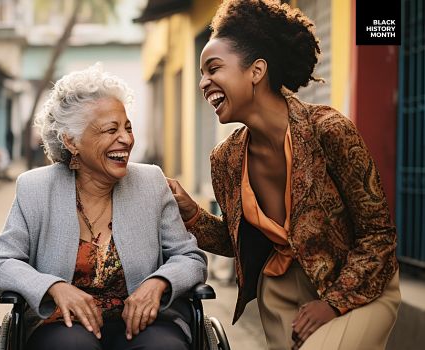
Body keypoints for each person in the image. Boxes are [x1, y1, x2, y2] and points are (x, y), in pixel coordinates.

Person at [167, 1, 400, 349]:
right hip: (279, 295)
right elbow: (237, 243)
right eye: (202, 73)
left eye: (213, 69)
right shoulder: (226, 158)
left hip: (358, 285)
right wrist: (191, 213)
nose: (203, 83)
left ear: (256, 71)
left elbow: (378, 235)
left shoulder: (329, 130)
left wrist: (334, 302)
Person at [0, 64, 207, 350]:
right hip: (63, 324)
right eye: (111, 129)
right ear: (71, 141)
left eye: (128, 127)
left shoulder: (151, 182)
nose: (125, 138)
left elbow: (190, 257)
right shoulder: (36, 189)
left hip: (145, 323)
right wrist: (53, 287)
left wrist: (158, 282)